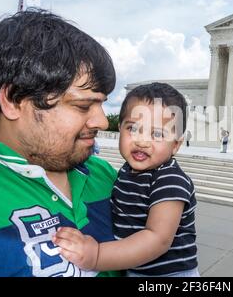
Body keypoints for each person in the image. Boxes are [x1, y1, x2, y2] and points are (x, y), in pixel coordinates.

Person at [0, 9, 120, 277]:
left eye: (102, 105)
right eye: (83, 105)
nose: (102, 122)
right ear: (13, 100)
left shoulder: (106, 175)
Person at [53, 82, 199, 277]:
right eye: (133, 128)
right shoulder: (126, 171)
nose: (142, 141)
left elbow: (157, 239)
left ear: (175, 145)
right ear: (119, 128)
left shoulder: (170, 180)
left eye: (157, 134)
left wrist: (96, 255)